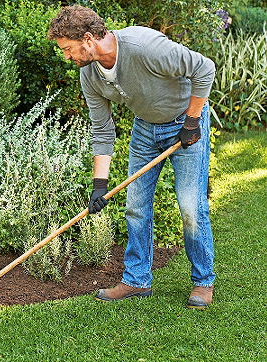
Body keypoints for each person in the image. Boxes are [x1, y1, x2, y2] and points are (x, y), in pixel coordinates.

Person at [47, 5, 216, 308]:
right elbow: (102, 129)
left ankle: (203, 282)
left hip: (184, 122)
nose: (67, 57)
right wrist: (99, 185)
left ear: (88, 39)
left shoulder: (143, 46)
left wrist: (192, 121)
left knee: (190, 205)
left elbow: (204, 68)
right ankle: (137, 280)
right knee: (136, 207)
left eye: (69, 49)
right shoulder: (89, 75)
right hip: (145, 130)